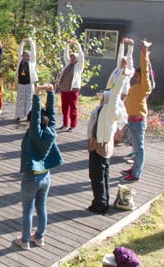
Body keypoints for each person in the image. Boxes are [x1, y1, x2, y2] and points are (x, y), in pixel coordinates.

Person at [15, 83, 63, 249]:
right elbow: (51, 115)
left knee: (27, 210)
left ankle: (25, 240)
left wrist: (36, 95)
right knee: (41, 208)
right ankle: (40, 237)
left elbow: (36, 115)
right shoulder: (51, 131)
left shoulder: (35, 133)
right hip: (45, 176)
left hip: (31, 176)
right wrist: (50, 93)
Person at [86, 72, 130, 214]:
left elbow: (116, 94)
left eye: (104, 96)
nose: (102, 97)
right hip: (99, 144)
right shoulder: (103, 109)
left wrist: (123, 77)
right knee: (102, 175)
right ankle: (102, 202)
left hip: (101, 145)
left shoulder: (110, 109)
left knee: (97, 176)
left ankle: (100, 204)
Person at [122, 40, 154, 182]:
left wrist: (144, 52)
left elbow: (145, 70)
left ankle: (136, 174)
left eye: (137, 75)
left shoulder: (143, 86)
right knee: (135, 148)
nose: (136, 76)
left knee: (139, 149)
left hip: (138, 121)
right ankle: (134, 168)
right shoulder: (135, 86)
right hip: (132, 120)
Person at [57, 39, 85, 132]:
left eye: (73, 58)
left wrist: (77, 45)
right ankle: (65, 124)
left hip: (73, 89)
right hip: (65, 89)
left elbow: (81, 57)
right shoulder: (67, 65)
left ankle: (73, 125)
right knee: (64, 107)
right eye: (71, 57)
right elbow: (65, 56)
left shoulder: (79, 66)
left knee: (73, 107)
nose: (72, 59)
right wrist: (67, 45)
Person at [15, 37, 38, 121]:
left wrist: (30, 41)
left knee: (29, 100)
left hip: (29, 83)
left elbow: (34, 52)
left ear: (29, 56)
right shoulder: (20, 60)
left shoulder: (32, 61)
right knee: (20, 100)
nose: (25, 56)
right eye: (24, 55)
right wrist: (22, 42)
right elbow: (19, 51)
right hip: (21, 83)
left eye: (27, 55)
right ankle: (19, 115)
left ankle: (29, 116)